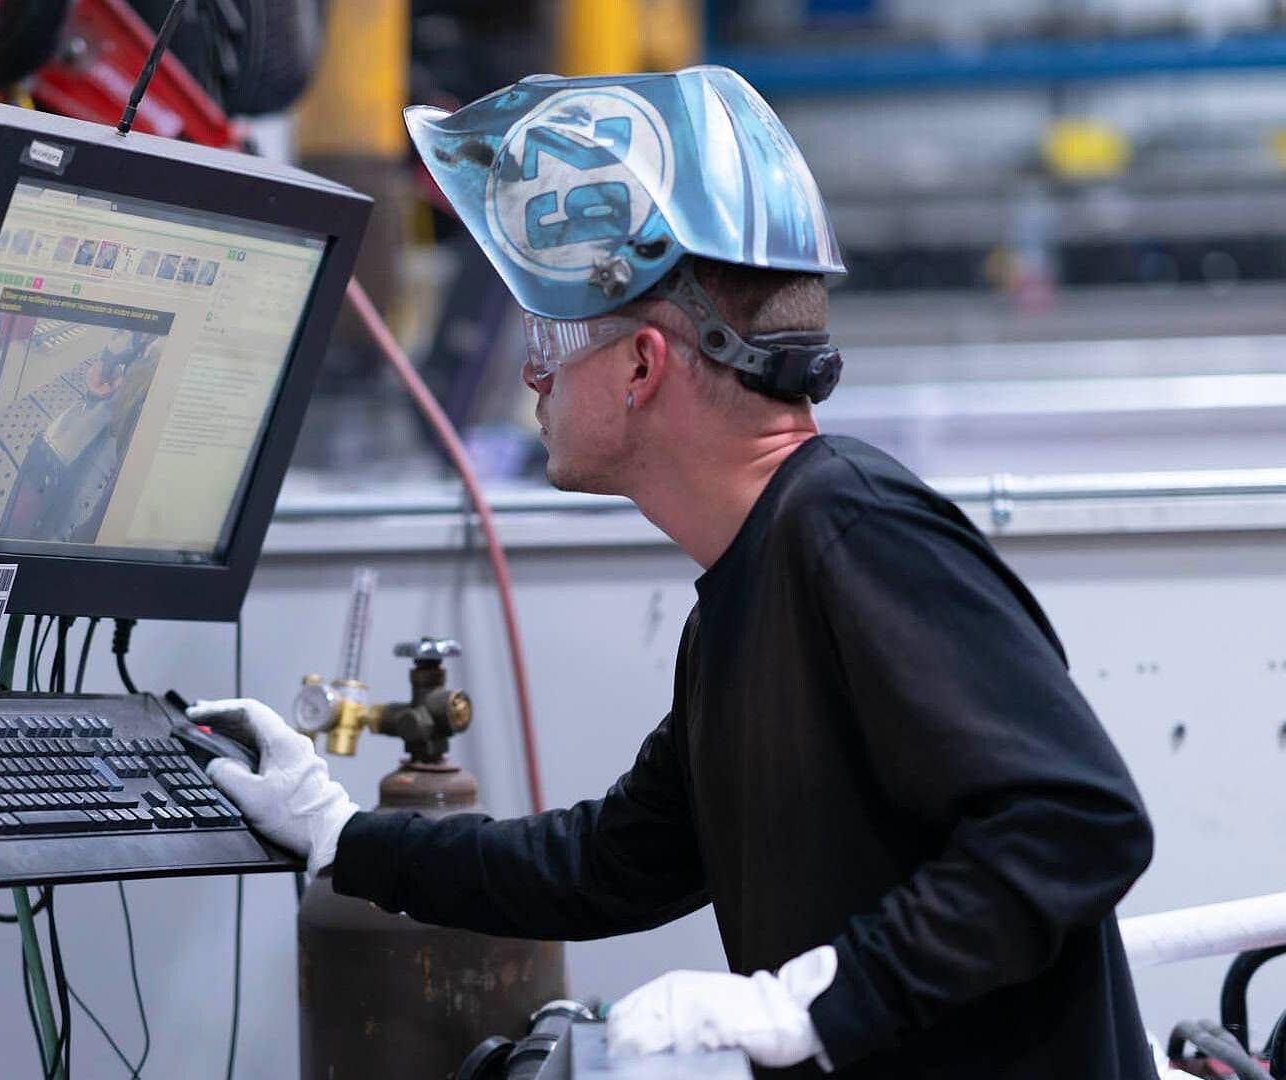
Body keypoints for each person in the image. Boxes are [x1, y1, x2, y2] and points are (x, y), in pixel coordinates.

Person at [189, 67, 1157, 1079]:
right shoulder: (750, 586)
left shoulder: (851, 530)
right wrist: (344, 837)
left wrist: (810, 1009)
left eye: (553, 336)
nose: (533, 373)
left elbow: (1076, 819)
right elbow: (608, 863)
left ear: (644, 366)